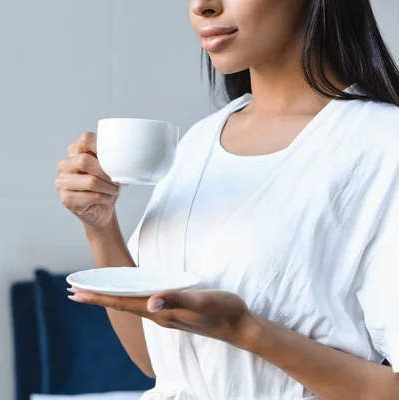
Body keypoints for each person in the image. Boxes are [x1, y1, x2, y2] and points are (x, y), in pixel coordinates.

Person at [54, 0, 399, 398]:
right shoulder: (200, 141)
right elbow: (156, 360)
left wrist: (246, 331)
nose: (203, 6)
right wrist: (100, 226)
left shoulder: (382, 144)